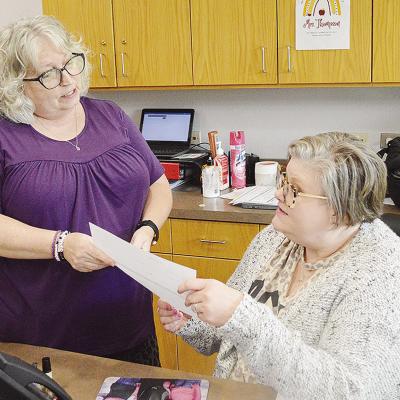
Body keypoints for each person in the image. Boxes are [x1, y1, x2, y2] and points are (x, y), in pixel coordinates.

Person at [158, 132, 400, 399]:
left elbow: (350, 393)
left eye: (293, 189)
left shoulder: (379, 274)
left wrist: (241, 316)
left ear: (339, 210)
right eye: (283, 180)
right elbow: (227, 335)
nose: (278, 193)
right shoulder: (275, 238)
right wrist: (193, 318)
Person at [0, 15, 172, 366]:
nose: (67, 80)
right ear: (18, 84)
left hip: (128, 324)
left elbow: (159, 187)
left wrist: (147, 229)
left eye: (70, 63)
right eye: (49, 74)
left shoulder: (111, 116)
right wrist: (60, 245)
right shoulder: (6, 136)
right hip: (42, 338)